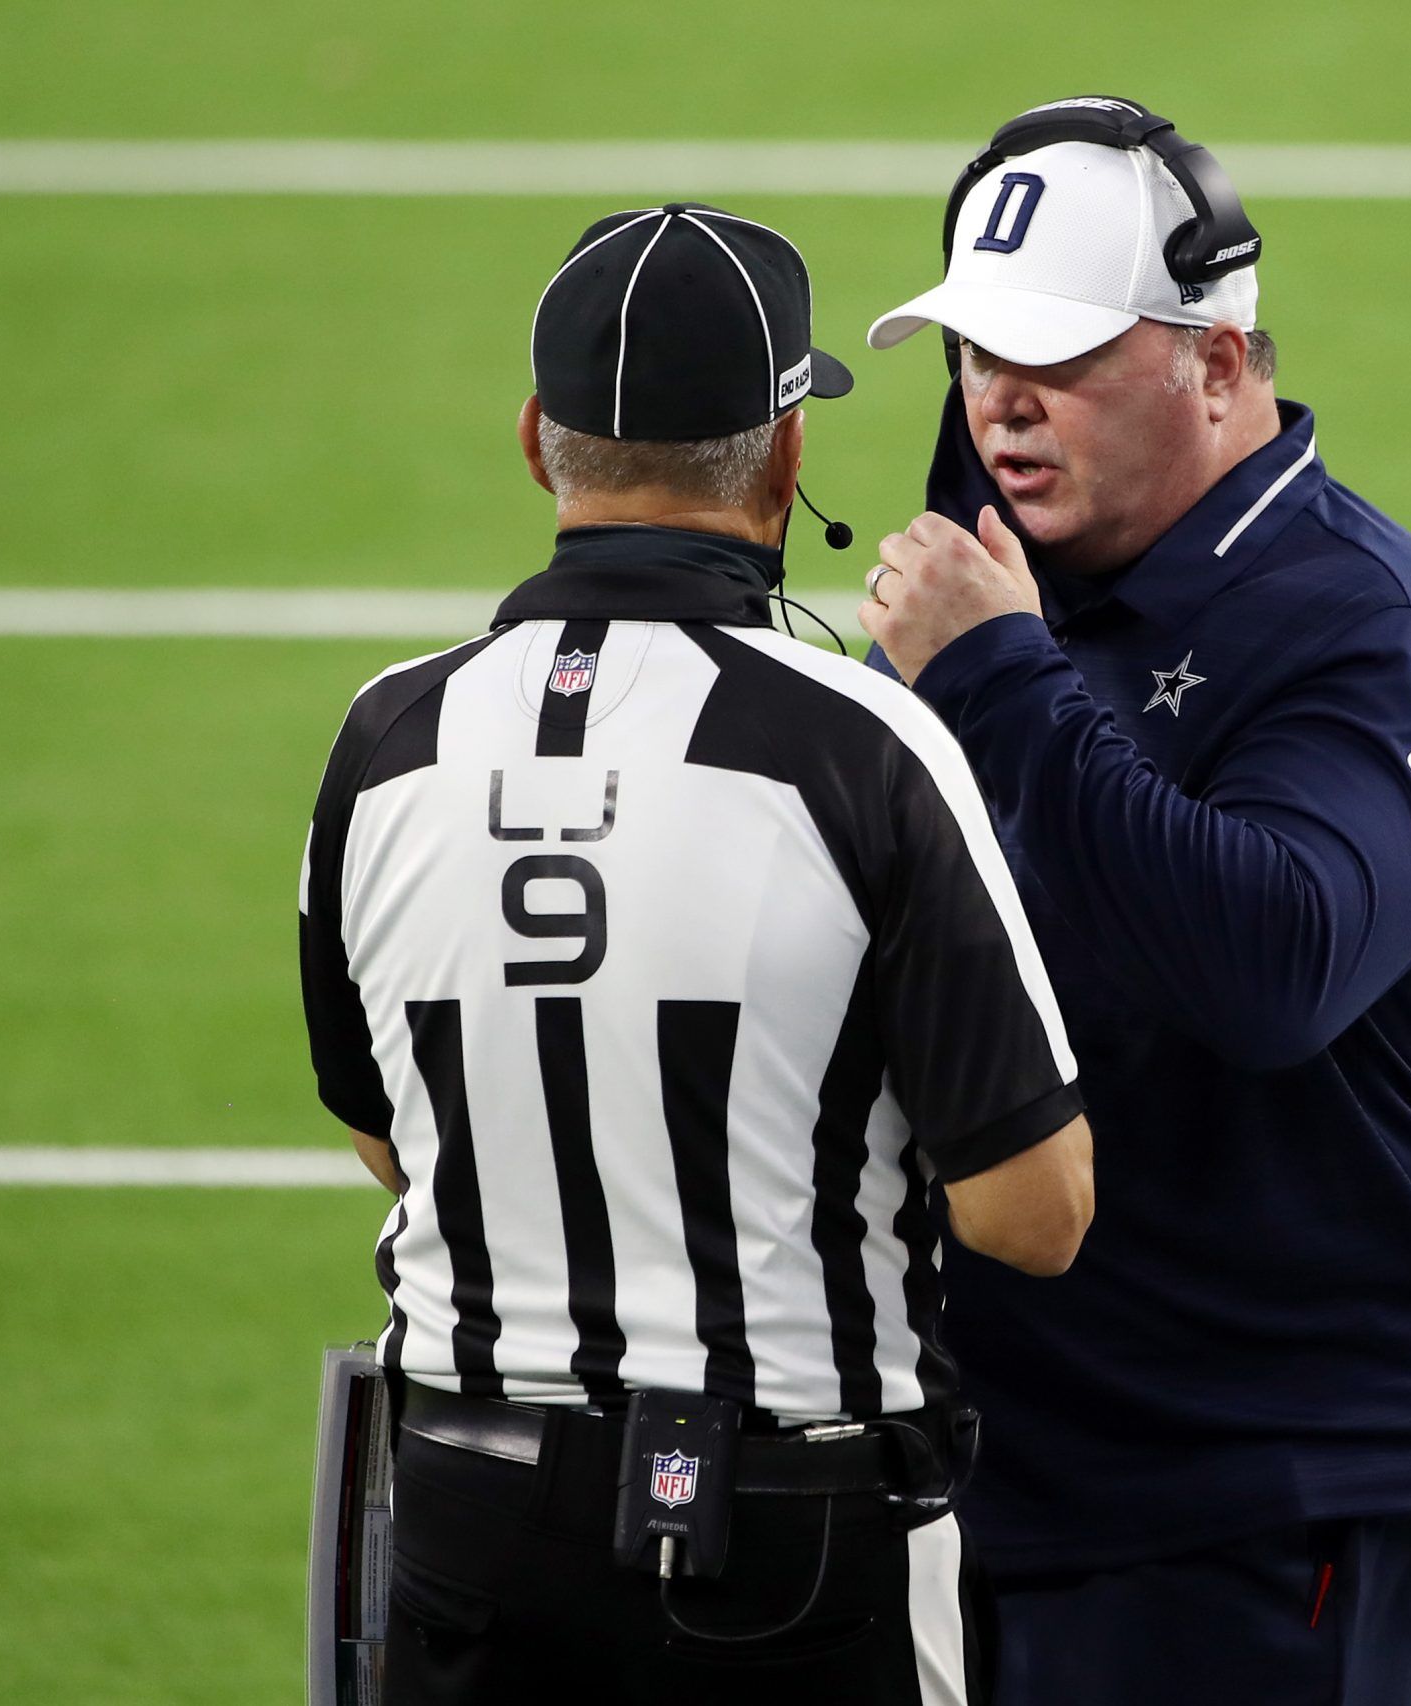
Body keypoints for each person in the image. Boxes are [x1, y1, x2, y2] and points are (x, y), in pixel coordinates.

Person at [298, 199, 1094, 1706]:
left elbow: (384, 1132)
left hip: (467, 1499)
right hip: (787, 1526)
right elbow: (1033, 1212)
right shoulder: (865, 745)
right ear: (789, 457)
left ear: (538, 440)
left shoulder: (386, 736)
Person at [854, 99, 1411, 1705]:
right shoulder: (1006, 589)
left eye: (1057, 357)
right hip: (972, 1470)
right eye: (976, 354)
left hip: (1246, 1488)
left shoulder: (1377, 632)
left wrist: (997, 682)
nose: (1002, 403)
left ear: (1220, 361)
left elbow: (1275, 963)